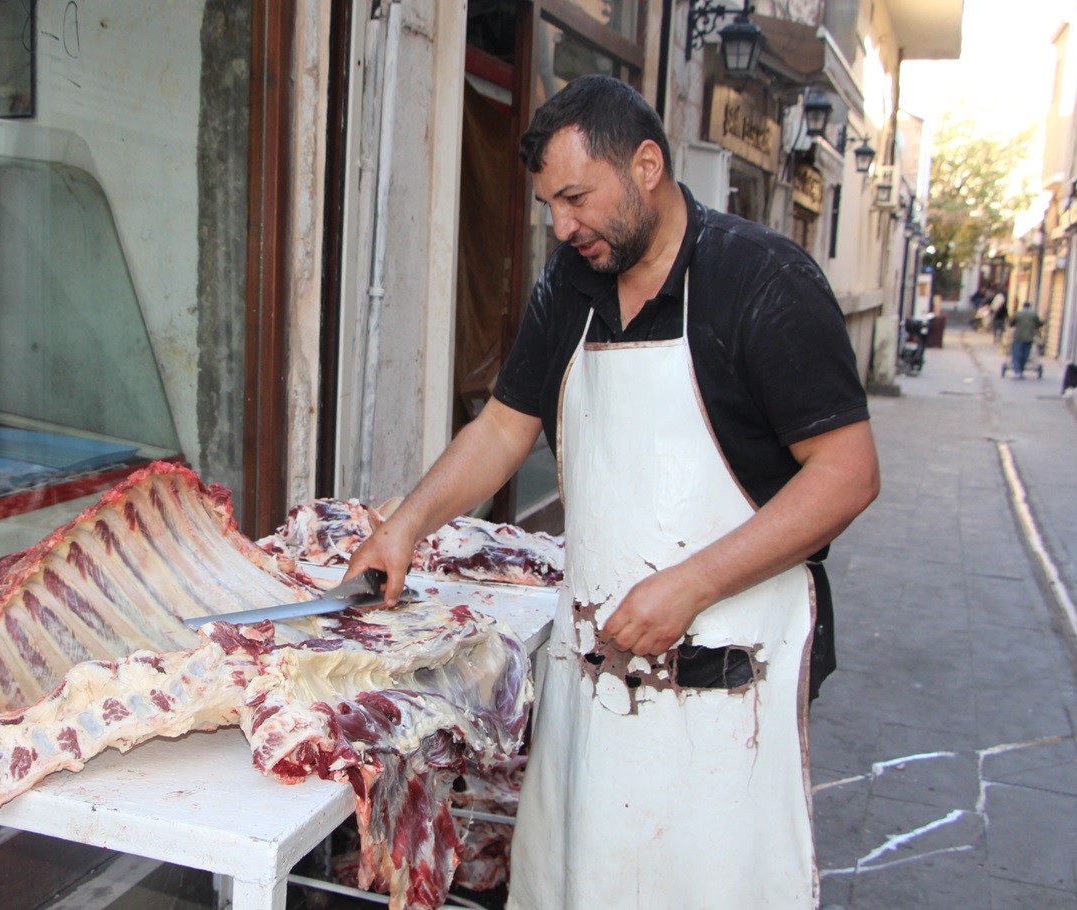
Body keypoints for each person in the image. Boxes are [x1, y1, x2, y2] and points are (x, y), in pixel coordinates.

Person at [345, 75, 878, 908]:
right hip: (598, 668)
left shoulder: (762, 281)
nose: (562, 226)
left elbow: (847, 474)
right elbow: (502, 429)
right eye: (549, 206)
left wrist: (690, 585)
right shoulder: (572, 285)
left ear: (647, 165)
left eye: (576, 198)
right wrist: (405, 526)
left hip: (729, 677)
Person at [1009, 300, 1044, 378]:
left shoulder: (1018, 314)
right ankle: (1021, 371)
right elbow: (1039, 324)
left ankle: (1016, 371)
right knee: (1025, 355)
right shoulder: (1033, 314)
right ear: (1029, 307)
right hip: (1029, 338)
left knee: (1017, 355)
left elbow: (1011, 323)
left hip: (1018, 337)